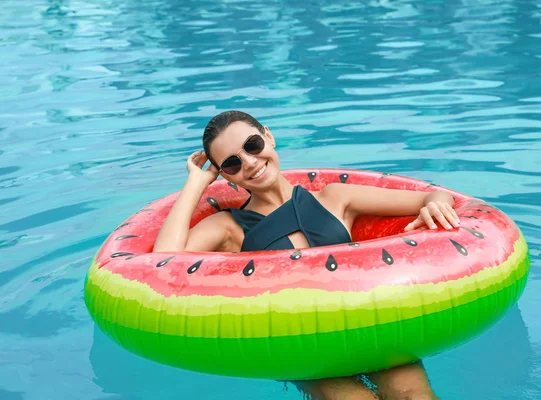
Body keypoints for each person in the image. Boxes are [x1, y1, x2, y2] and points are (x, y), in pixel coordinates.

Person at [154, 110, 458, 400]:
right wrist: (196, 182)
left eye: (253, 145)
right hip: (301, 342)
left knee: (413, 395)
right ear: (225, 176)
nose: (249, 162)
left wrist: (434, 206)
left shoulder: (335, 197)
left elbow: (436, 195)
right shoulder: (230, 228)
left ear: (268, 137)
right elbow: (163, 262)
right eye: (232, 163)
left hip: (368, 326)